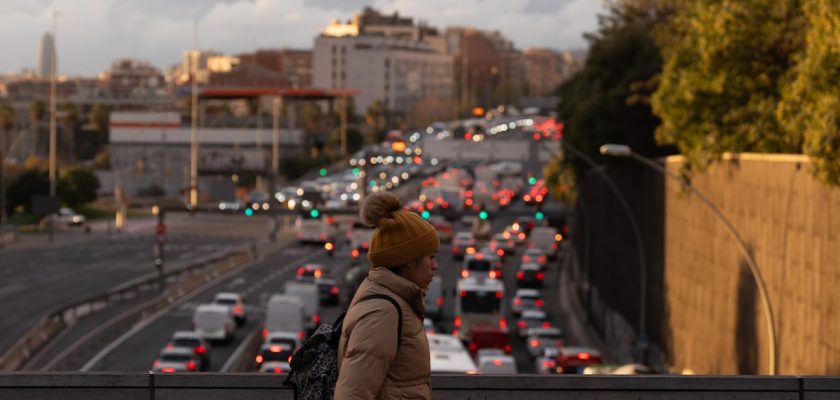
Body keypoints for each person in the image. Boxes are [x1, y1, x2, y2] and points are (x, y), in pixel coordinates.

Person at [335, 192, 440, 400]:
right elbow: (352, 393)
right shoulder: (383, 312)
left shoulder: (393, 300)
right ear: (409, 260)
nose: (435, 266)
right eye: (431, 257)